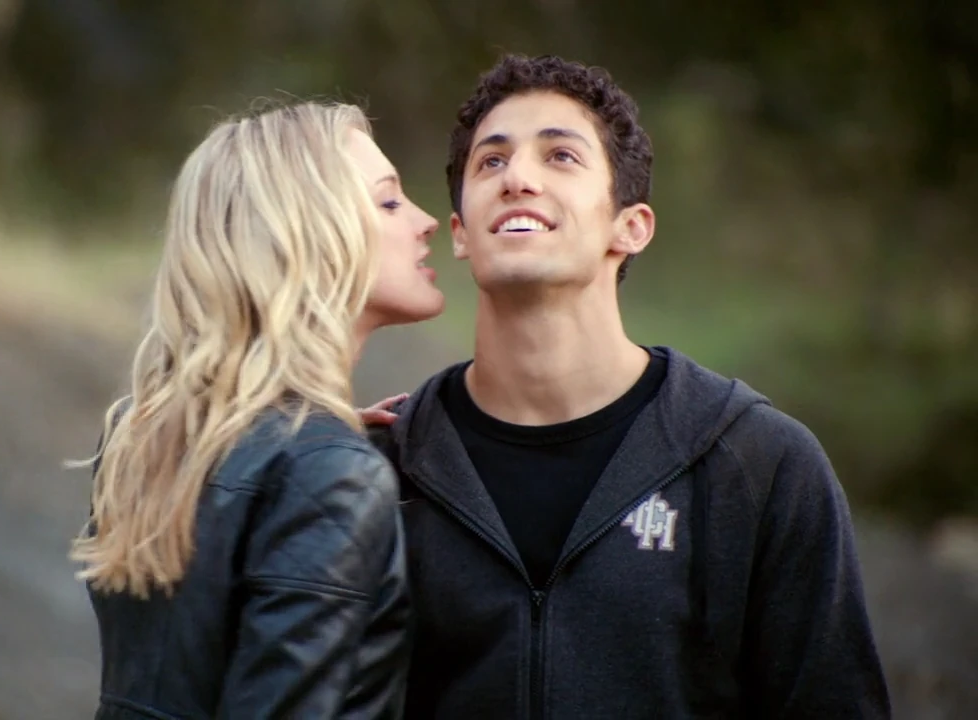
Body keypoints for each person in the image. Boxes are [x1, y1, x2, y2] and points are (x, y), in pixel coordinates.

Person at [364, 54, 891, 718]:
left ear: (631, 227)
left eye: (560, 156)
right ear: (462, 234)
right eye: (491, 161)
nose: (517, 177)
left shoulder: (762, 466)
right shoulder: (380, 467)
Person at [70, 101, 446, 719]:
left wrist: (320, 440)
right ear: (309, 235)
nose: (427, 221)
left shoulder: (143, 431)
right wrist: (327, 462)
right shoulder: (330, 473)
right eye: (388, 202)